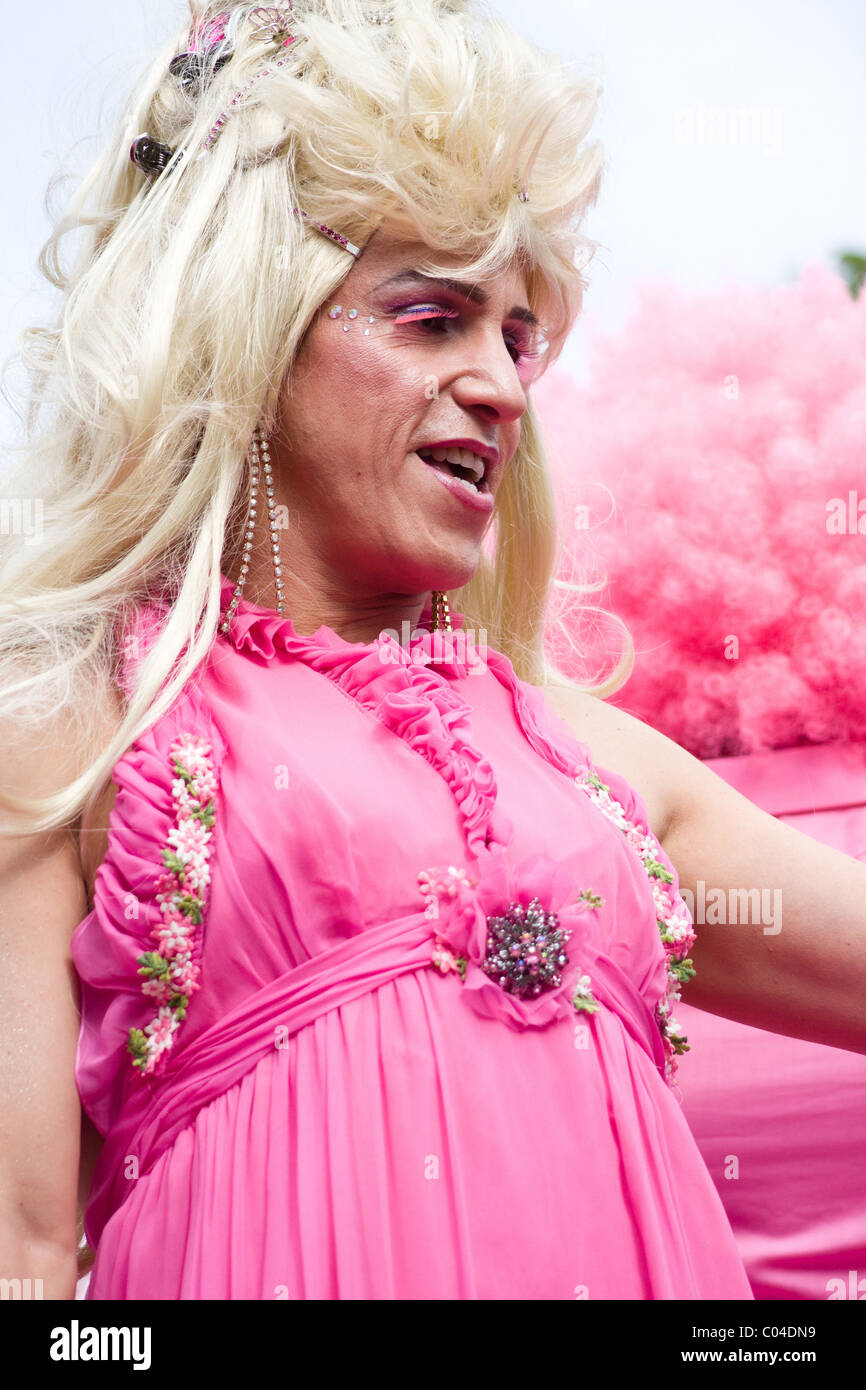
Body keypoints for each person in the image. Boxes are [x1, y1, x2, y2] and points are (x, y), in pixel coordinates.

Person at [1, 0, 864, 1302]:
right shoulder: (75, 716)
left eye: (518, 336)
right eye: (430, 319)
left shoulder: (579, 756)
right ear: (251, 328)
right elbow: (18, 1250)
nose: (507, 385)